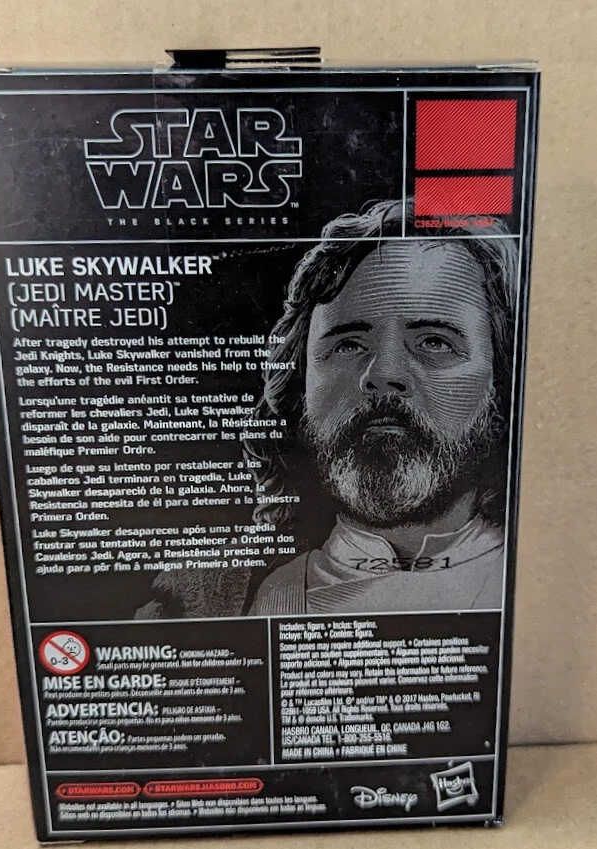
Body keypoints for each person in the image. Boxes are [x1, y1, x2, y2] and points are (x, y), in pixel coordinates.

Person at [146, 199, 517, 618]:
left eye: (434, 342)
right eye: (349, 345)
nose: (383, 374)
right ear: (300, 390)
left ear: (501, 381)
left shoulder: (545, 575)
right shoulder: (192, 605)